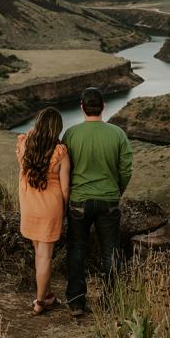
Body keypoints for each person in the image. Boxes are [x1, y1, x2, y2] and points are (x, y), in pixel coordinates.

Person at [63, 87, 133, 316]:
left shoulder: (71, 134)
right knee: (111, 252)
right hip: (109, 200)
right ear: (103, 106)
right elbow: (126, 169)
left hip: (79, 202)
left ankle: (76, 302)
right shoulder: (117, 134)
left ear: (82, 107)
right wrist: (117, 191)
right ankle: (111, 302)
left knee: (76, 250)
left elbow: (65, 169)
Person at [16, 106, 71, 315]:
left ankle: (46, 295)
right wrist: (64, 209)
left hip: (29, 205)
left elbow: (22, 166)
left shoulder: (24, 144)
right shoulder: (60, 152)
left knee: (38, 252)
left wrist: (32, 134)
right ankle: (40, 302)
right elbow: (65, 187)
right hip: (51, 207)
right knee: (45, 256)